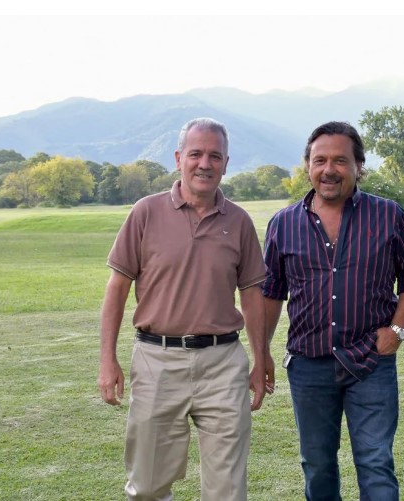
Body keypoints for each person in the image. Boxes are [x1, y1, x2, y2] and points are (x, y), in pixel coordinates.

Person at [98, 117, 274, 501]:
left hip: (223, 364)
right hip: (156, 361)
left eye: (215, 156)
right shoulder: (146, 212)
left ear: (226, 164)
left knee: (227, 490)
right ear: (179, 158)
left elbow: (251, 294)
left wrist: (261, 358)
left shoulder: (239, 222)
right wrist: (107, 360)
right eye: (196, 154)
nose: (204, 164)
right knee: (148, 486)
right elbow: (117, 288)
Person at [262, 121, 404, 501]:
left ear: (358, 166)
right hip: (308, 365)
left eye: (340, 160)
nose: (329, 170)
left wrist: (397, 331)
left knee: (375, 462)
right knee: (317, 465)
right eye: (319, 160)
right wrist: (262, 351)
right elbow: (271, 292)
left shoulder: (388, 215)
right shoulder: (284, 224)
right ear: (308, 166)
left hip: (370, 360)